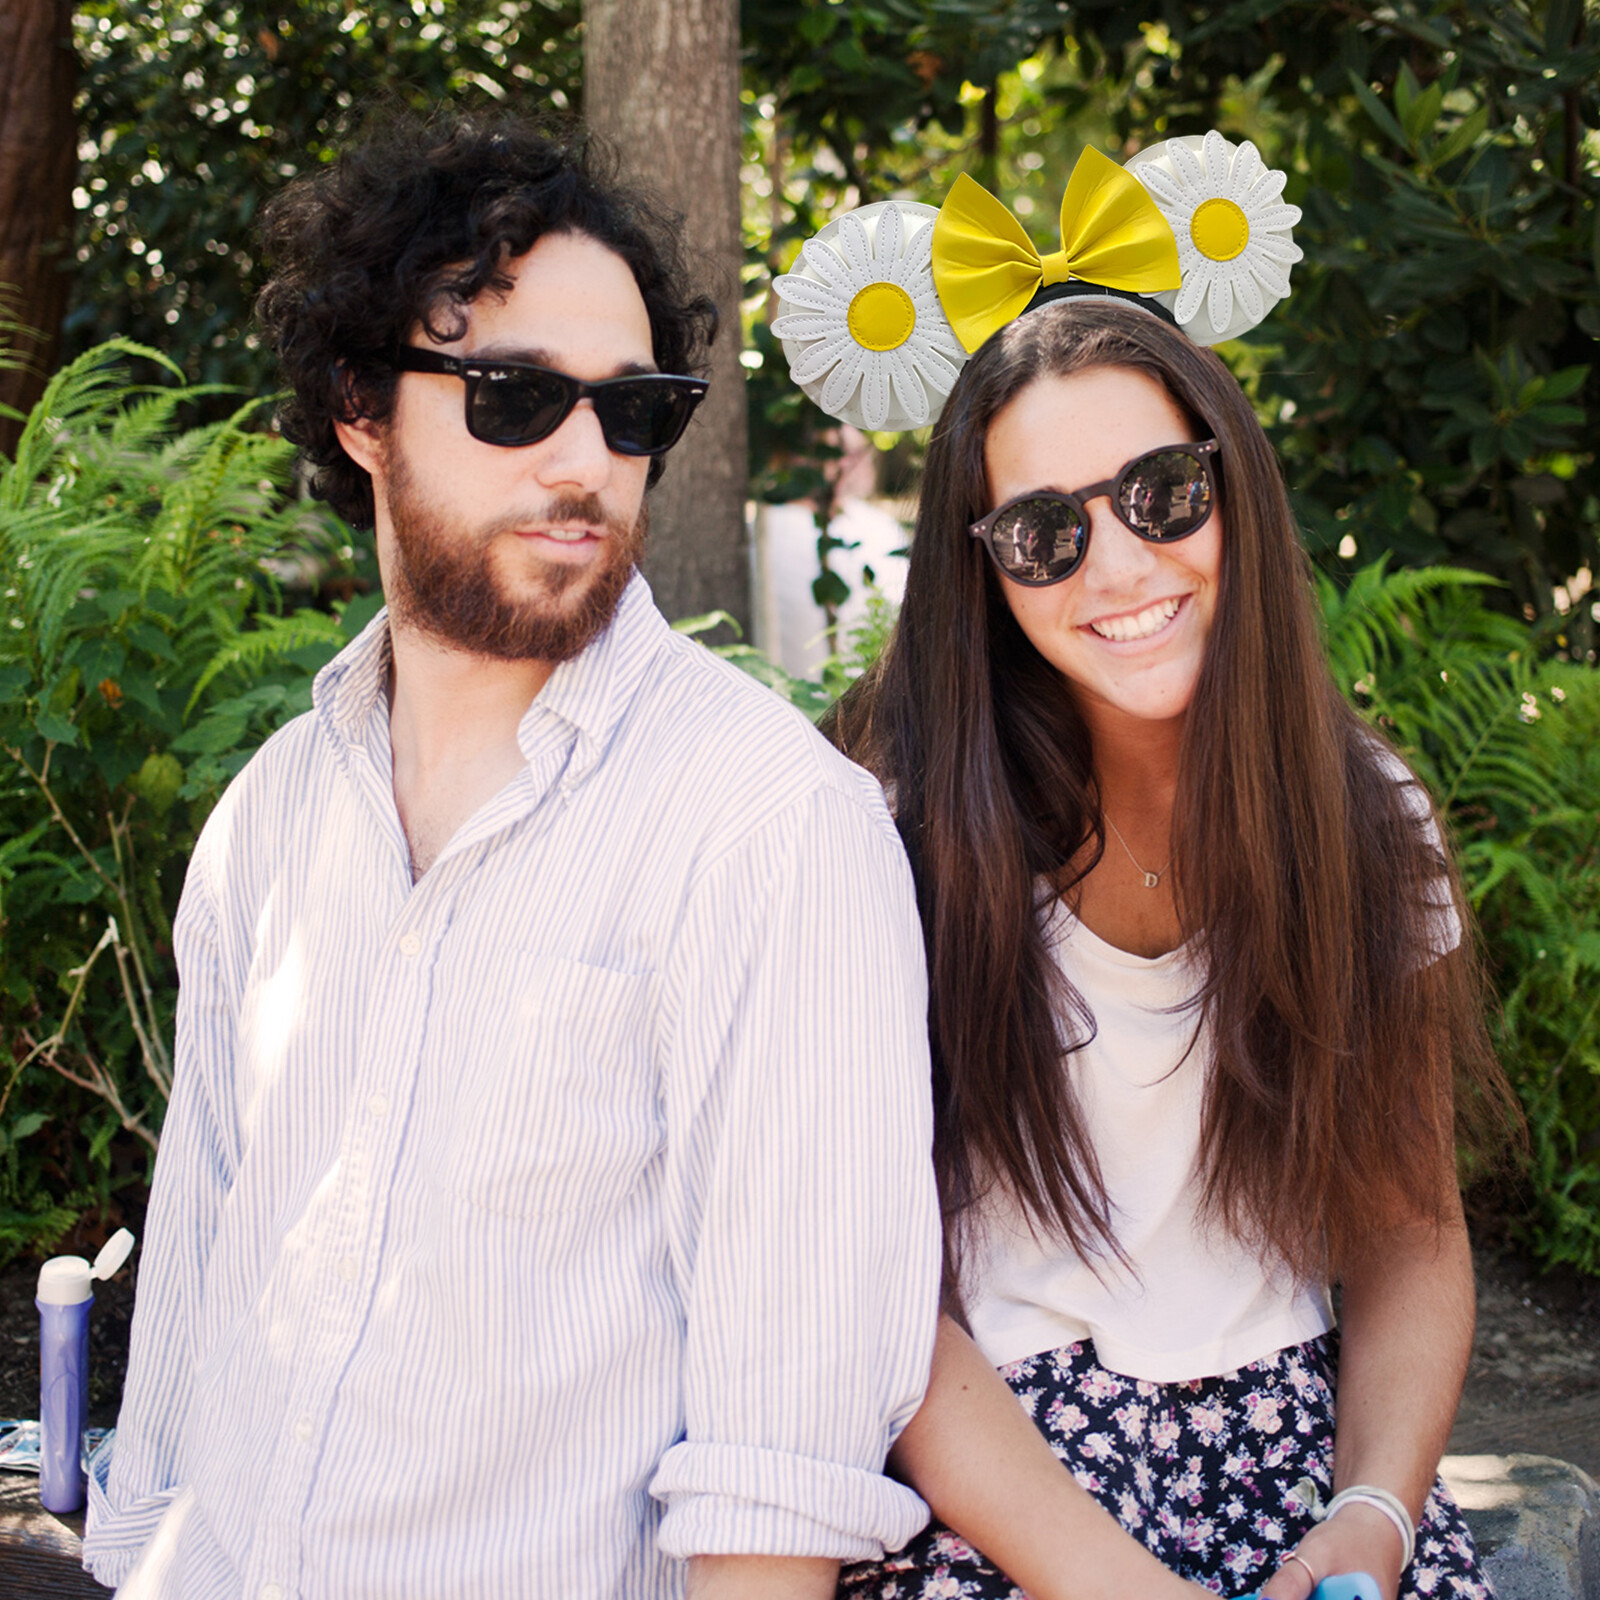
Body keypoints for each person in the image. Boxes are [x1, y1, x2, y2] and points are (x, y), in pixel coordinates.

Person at [82, 108, 941, 1600]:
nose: (583, 464)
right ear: (361, 406)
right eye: (513, 398)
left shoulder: (771, 835)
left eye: (632, 411)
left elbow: (782, 1483)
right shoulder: (268, 827)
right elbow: (194, 1328)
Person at [773, 137, 1517, 1600]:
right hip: (990, 1472)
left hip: (1298, 1452)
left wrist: (1371, 1512)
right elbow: (867, 1296)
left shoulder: (1365, 819)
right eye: (1046, 532)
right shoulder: (886, 824)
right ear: (983, 569)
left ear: (1233, 488)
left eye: (1162, 493)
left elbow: (1410, 1231)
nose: (1117, 567)